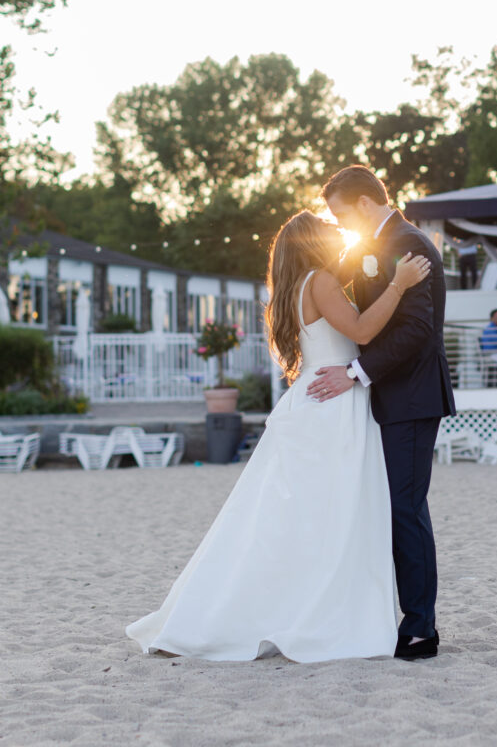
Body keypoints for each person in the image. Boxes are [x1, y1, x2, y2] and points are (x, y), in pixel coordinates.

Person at [126, 210, 431, 663]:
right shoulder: (321, 281)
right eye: (330, 232)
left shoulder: (295, 287)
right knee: (333, 515)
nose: (337, 236)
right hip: (333, 407)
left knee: (297, 518)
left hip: (317, 400)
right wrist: (398, 284)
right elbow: (364, 330)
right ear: (313, 242)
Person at [307, 165, 456, 661]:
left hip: (412, 397)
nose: (340, 224)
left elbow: (416, 332)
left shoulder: (407, 244)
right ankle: (396, 618)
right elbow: (337, 286)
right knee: (392, 509)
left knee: (406, 512)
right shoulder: (373, 242)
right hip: (391, 396)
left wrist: (355, 372)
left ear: (365, 203)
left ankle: (420, 630)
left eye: (340, 214)